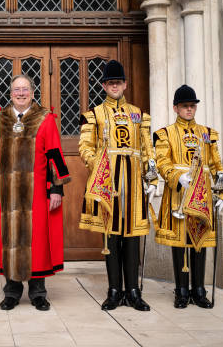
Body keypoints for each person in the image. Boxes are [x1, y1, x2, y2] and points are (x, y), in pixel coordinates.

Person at [79, 60, 157, 311]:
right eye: (110, 82)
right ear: (104, 85)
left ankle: (133, 290)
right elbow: (85, 148)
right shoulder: (94, 114)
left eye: (118, 82)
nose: (115, 86)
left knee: (132, 236)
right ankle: (114, 290)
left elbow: (148, 150)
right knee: (111, 237)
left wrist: (152, 179)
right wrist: (98, 167)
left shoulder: (138, 114)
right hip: (108, 183)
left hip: (134, 183)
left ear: (125, 84)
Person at [0, 74, 70, 311]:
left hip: (35, 192)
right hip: (6, 193)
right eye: (16, 89)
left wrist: (56, 189)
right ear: (10, 93)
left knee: (36, 240)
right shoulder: (0, 119)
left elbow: (55, 154)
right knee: (9, 239)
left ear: (32, 92)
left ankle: (38, 292)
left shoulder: (45, 119)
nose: (20, 93)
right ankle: (12, 292)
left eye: (24, 89)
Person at [153, 85, 223, 309]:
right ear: (176, 108)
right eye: (185, 106)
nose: (189, 110)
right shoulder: (165, 133)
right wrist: (178, 176)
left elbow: (217, 165)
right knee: (179, 243)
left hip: (202, 193)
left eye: (192, 106)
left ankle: (199, 289)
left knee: (200, 241)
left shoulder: (207, 133)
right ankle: (182, 290)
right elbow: (161, 162)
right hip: (178, 194)